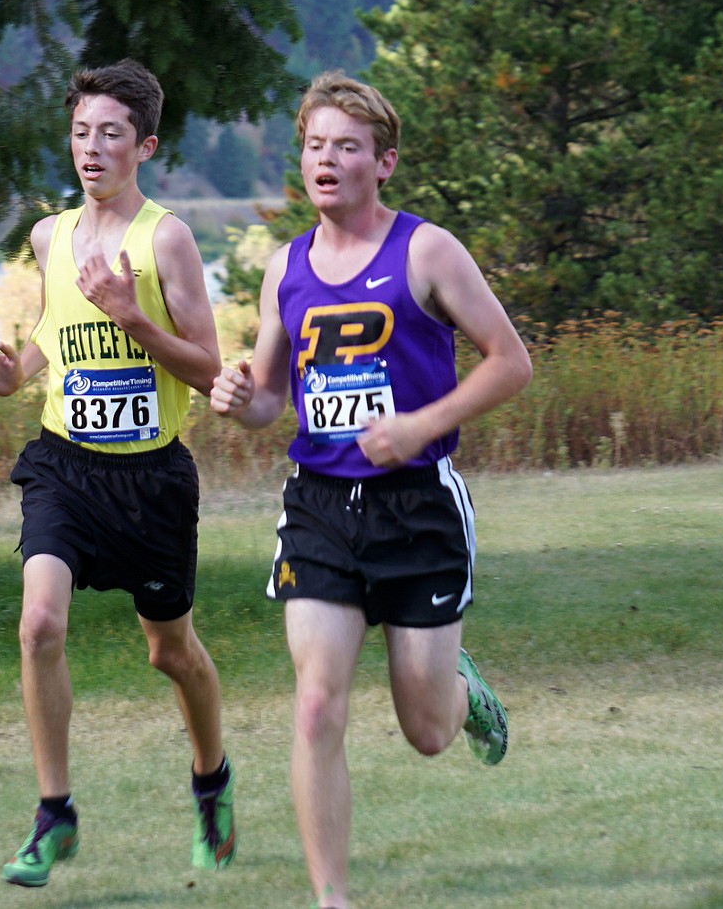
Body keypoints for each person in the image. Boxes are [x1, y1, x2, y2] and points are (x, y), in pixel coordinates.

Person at [210, 70, 532, 909]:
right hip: (319, 505)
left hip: (418, 505)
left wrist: (424, 425)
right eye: (316, 146)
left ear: (382, 163)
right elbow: (274, 398)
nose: (327, 160)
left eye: (347, 147)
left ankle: (460, 688)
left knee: (426, 732)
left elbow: (511, 362)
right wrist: (243, 401)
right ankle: (333, 900)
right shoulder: (286, 266)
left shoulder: (426, 251)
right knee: (317, 704)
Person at [0, 58, 235, 888]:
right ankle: (55, 816)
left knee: (171, 652)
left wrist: (135, 320)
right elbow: (52, 327)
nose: (92, 148)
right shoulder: (51, 236)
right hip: (64, 466)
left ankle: (211, 779)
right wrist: (18, 374)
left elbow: (207, 367)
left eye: (111, 133)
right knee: (39, 624)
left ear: (144, 145)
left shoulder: (168, 239)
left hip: (151, 479)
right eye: (81, 132)